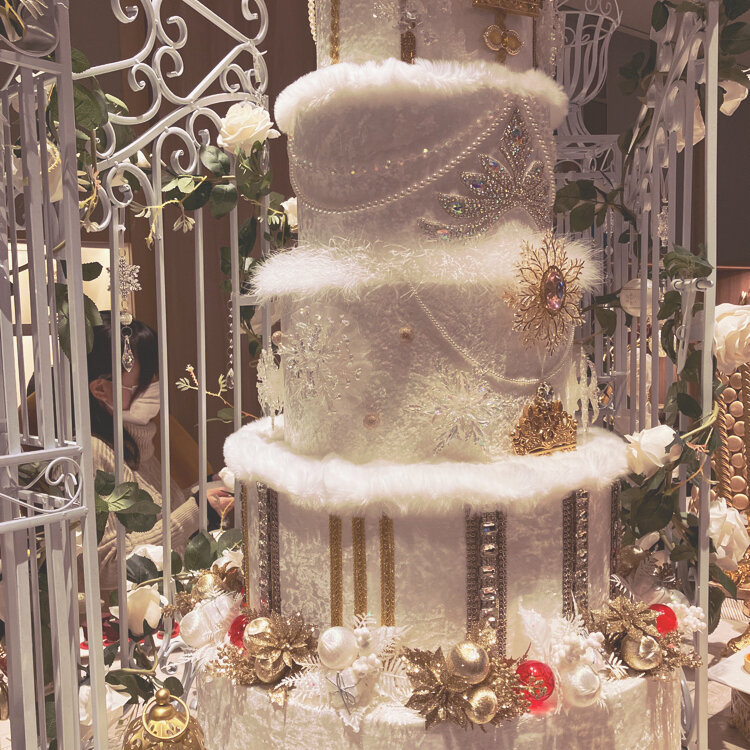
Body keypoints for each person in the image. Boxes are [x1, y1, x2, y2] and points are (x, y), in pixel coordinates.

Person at [88, 312, 199, 592]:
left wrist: (203, 495)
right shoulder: (96, 452)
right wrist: (195, 511)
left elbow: (158, 517)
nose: (157, 385)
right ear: (100, 388)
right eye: (147, 378)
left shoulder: (137, 440)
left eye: (157, 374)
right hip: (128, 614)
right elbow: (108, 566)